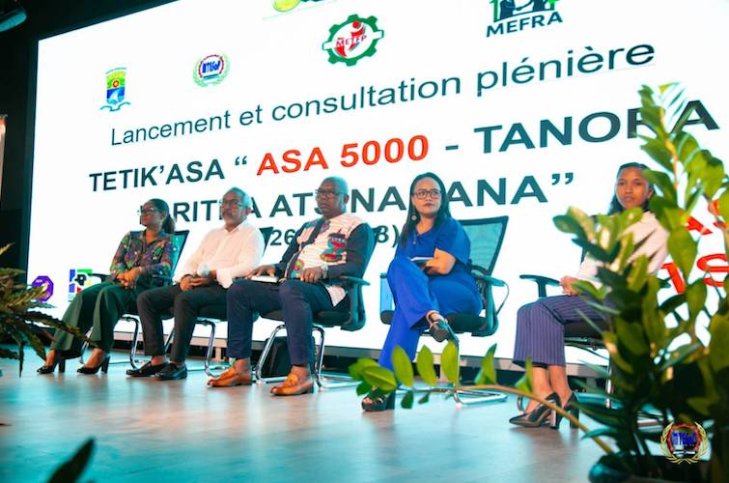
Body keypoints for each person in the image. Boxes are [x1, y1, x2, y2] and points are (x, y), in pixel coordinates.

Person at [509, 162, 669, 428]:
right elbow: (590, 268)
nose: (627, 189)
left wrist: (587, 287)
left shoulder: (658, 226)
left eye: (637, 183)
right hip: (594, 300)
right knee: (527, 311)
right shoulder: (607, 225)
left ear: (650, 191)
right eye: (621, 183)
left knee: (541, 309)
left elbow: (634, 275)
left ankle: (557, 395)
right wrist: (576, 283)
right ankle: (548, 392)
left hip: (623, 305)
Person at [208, 176, 374, 394]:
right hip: (291, 287)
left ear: (345, 198)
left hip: (328, 291)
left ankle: (301, 373)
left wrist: (324, 270)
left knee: (291, 289)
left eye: (330, 193)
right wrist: (273, 267)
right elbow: (286, 262)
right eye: (320, 193)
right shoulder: (308, 226)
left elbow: (356, 267)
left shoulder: (357, 226)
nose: (323, 197)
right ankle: (240, 367)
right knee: (240, 289)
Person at [361, 172, 483, 412]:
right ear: (413, 199)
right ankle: (432, 316)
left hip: (458, 293)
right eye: (422, 193)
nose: (428, 197)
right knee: (398, 267)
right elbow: (400, 273)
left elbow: (443, 266)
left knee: (408, 307)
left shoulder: (450, 227)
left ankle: (385, 383)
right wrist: (417, 268)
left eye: (434, 192)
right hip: (427, 298)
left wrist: (416, 269)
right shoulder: (408, 233)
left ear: (443, 198)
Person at [128, 188, 264, 380]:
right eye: (224, 202)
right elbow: (193, 260)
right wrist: (185, 277)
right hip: (197, 283)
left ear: (248, 210)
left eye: (234, 203)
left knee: (185, 300)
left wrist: (214, 275)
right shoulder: (213, 234)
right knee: (146, 298)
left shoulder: (252, 234)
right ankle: (157, 359)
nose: (227, 207)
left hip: (224, 288)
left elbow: (248, 267)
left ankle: (177, 363)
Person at [38, 199, 177, 375]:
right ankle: (58, 349)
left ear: (163, 215)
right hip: (119, 282)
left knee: (108, 294)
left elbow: (166, 267)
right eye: (142, 210)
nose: (144, 213)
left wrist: (139, 271)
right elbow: (116, 263)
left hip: (145, 289)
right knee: (84, 296)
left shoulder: (169, 240)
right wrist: (123, 275)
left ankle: (101, 350)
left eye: (149, 210)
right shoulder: (131, 237)